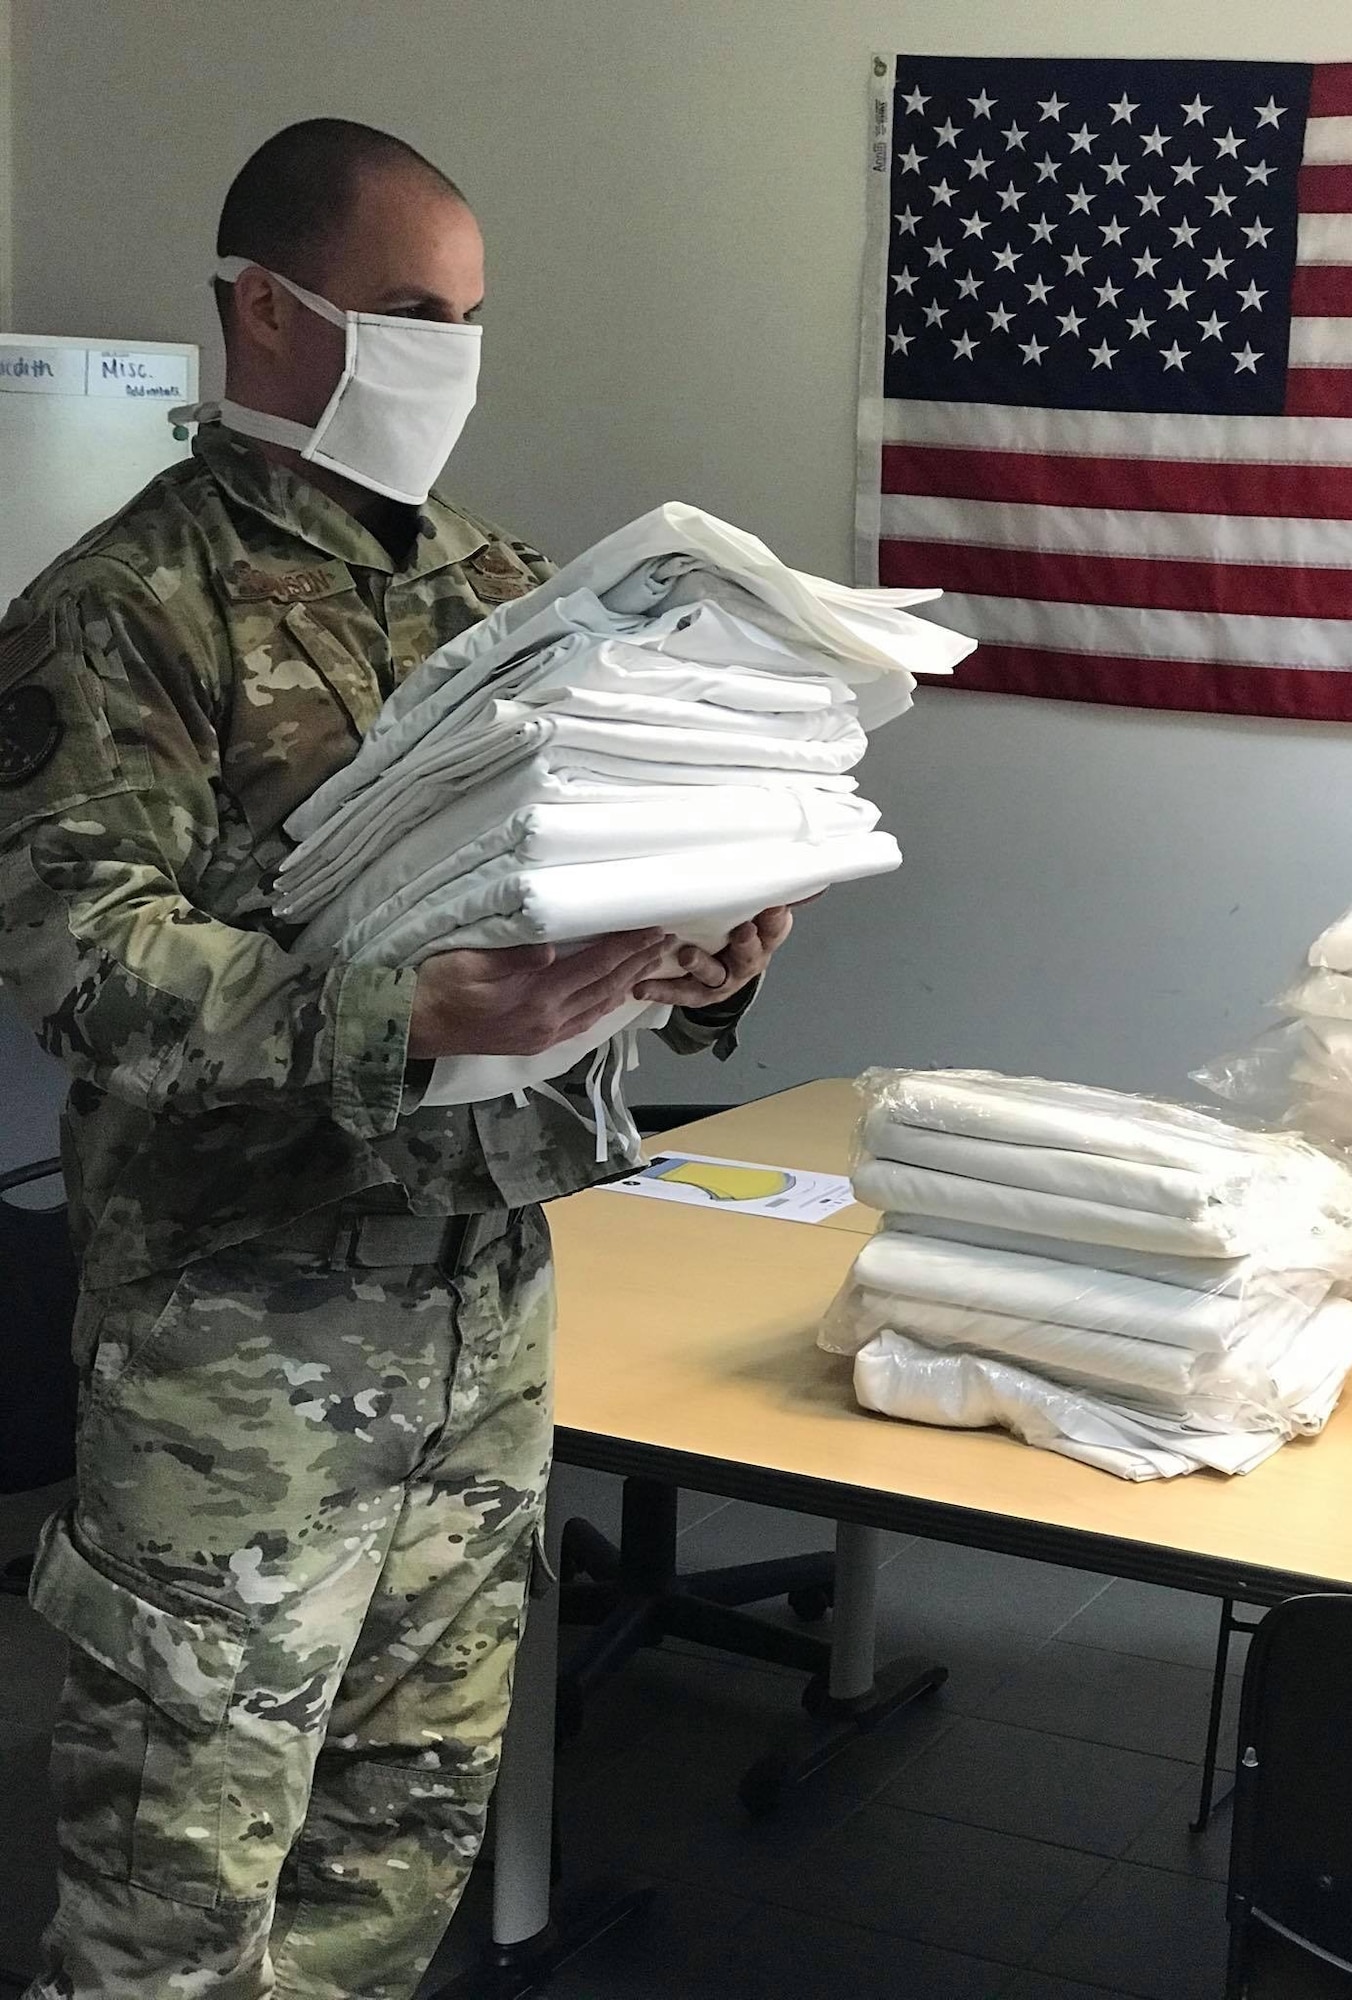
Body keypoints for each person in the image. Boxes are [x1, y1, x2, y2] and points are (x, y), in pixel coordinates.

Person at [0, 118, 794, 2000]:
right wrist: (414, 1012)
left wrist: (695, 955)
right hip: (238, 1353)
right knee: (175, 1899)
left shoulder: (504, 588)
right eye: (415, 314)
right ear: (264, 312)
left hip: (477, 1318)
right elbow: (80, 966)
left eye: (474, 319)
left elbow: (577, 874)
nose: (454, 355)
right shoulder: (119, 611)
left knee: (398, 1847)